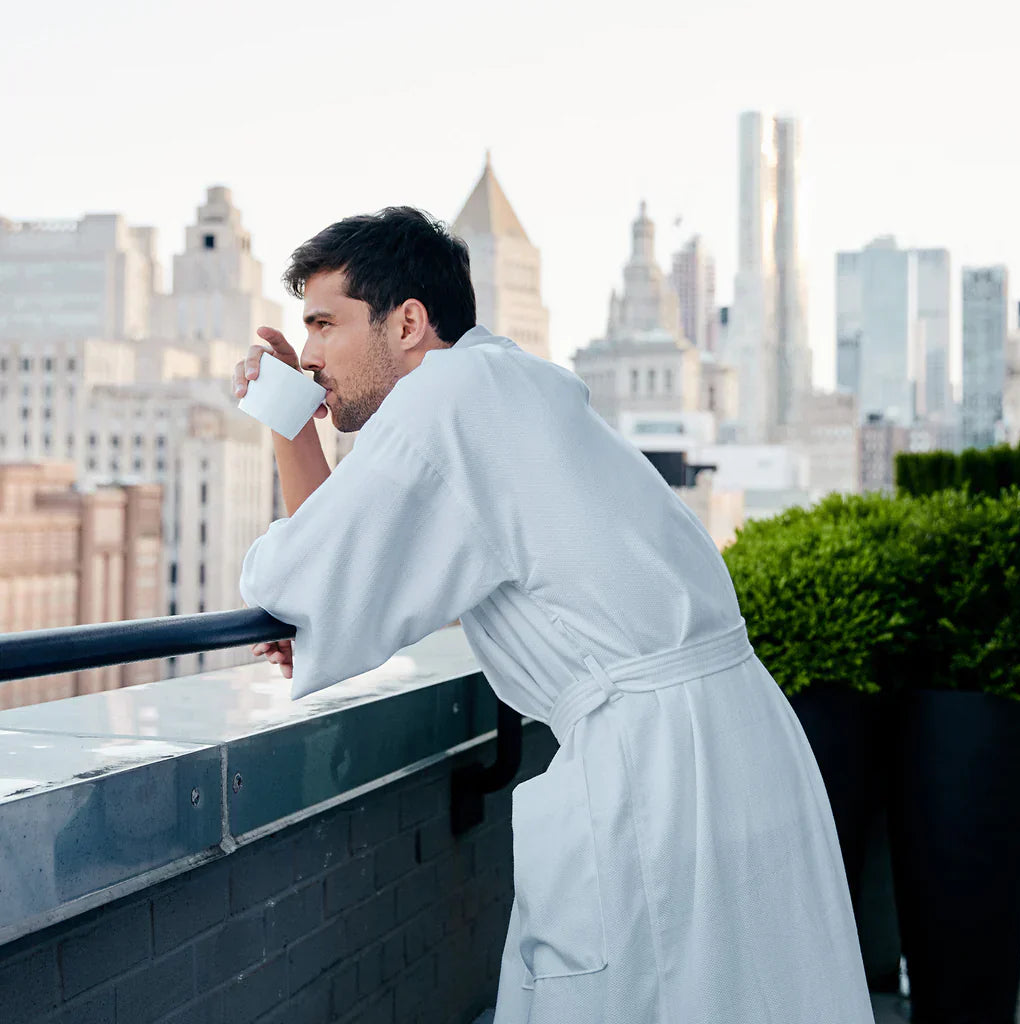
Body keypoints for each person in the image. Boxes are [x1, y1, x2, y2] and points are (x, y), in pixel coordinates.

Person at [235, 206, 875, 1023]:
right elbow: (347, 574)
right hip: (733, 737)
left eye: (325, 323)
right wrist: (325, 602)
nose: (312, 353)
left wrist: (283, 416)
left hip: (657, 773)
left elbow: (301, 580)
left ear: (406, 323)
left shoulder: (449, 399)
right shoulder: (506, 382)